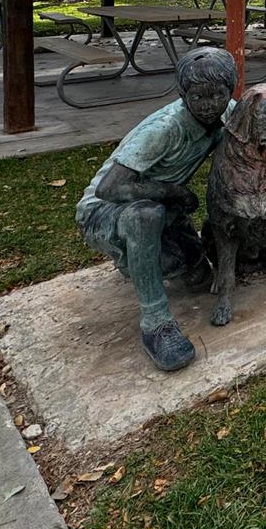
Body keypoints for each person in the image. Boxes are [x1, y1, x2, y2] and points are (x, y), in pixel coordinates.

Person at [74, 47, 238, 371]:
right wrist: (173, 192)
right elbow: (109, 188)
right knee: (144, 217)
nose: (209, 105)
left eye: (217, 95)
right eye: (198, 96)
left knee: (195, 275)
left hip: (166, 210)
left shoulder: (228, 114)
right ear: (183, 93)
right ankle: (156, 323)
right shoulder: (164, 129)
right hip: (106, 210)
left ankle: (147, 257)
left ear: (230, 91)